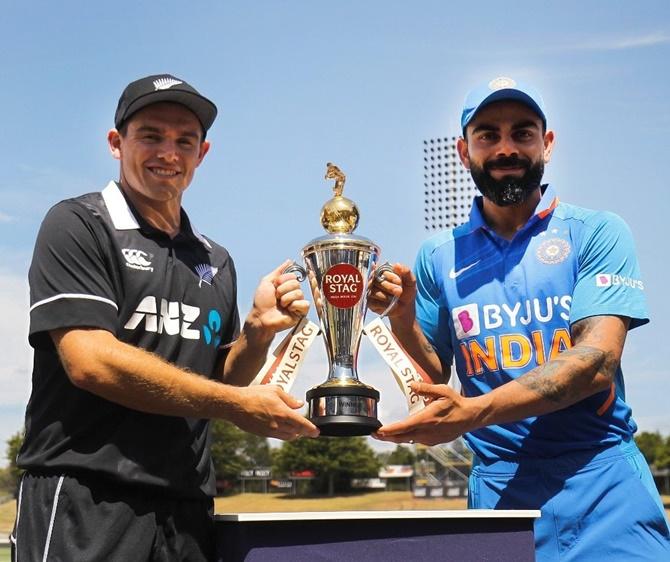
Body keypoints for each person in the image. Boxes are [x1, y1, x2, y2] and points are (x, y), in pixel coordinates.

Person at [11, 73, 319, 561]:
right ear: (117, 143)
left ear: (203, 153)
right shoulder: (79, 224)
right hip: (87, 496)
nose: (168, 154)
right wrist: (236, 406)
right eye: (150, 136)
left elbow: (217, 377)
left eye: (184, 141)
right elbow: (91, 361)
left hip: (187, 508)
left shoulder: (215, 260)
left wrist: (257, 335)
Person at [371, 76, 670, 560]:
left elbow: (595, 362)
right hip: (499, 489)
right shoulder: (437, 255)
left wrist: (473, 412)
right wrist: (402, 318)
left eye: (522, 133)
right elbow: (430, 378)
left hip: (602, 482)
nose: (505, 148)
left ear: (546, 144)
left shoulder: (596, 231)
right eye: (488, 134)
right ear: (463, 151)